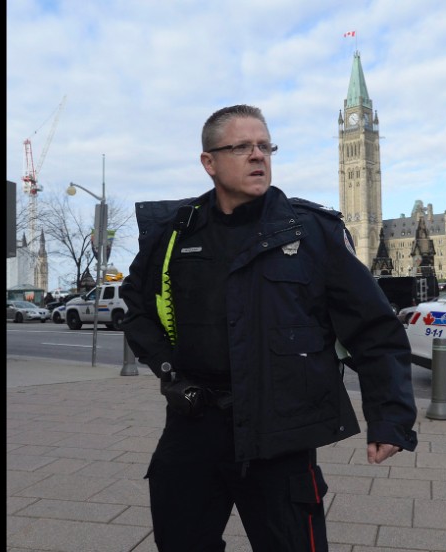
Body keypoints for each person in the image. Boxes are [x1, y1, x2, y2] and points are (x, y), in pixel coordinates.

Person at [120, 104, 418, 552]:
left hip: (282, 433)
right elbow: (137, 307)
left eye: (264, 145)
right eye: (241, 146)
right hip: (194, 425)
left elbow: (373, 328)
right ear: (209, 162)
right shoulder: (175, 233)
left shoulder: (310, 230)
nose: (258, 155)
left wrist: (391, 417)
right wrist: (168, 366)